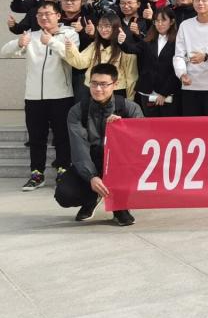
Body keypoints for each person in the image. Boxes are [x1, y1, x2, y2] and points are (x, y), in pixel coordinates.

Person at [1, 2, 79, 190]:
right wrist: (18, 43)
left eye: (48, 13)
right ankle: (37, 174)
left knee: (62, 136)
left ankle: (63, 170)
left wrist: (51, 41)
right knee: (36, 138)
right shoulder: (31, 35)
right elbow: (4, 52)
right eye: (40, 14)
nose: (44, 17)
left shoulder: (69, 34)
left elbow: (73, 57)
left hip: (61, 96)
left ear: (58, 16)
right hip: (34, 97)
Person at [55, 63, 144, 226]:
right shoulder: (77, 111)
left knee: (130, 171)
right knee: (65, 194)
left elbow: (140, 143)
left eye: (103, 84)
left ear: (115, 84)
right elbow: (79, 148)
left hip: (120, 163)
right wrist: (91, 177)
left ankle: (119, 206)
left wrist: (124, 128)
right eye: (94, 83)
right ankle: (91, 199)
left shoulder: (130, 109)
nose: (97, 89)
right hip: (92, 159)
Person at [61, 13, 139, 99]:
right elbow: (80, 63)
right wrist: (71, 49)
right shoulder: (95, 45)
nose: (103, 30)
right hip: (94, 90)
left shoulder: (126, 48)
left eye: (107, 26)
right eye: (100, 26)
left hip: (116, 92)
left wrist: (130, 99)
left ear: (116, 27)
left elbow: (132, 77)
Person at [121, 7, 181, 117]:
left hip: (169, 92)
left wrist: (164, 93)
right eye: (156, 21)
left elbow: (177, 70)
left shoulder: (178, 41)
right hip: (147, 91)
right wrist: (121, 41)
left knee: (168, 124)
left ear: (172, 21)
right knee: (149, 123)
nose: (159, 24)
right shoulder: (149, 39)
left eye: (163, 20)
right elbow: (131, 49)